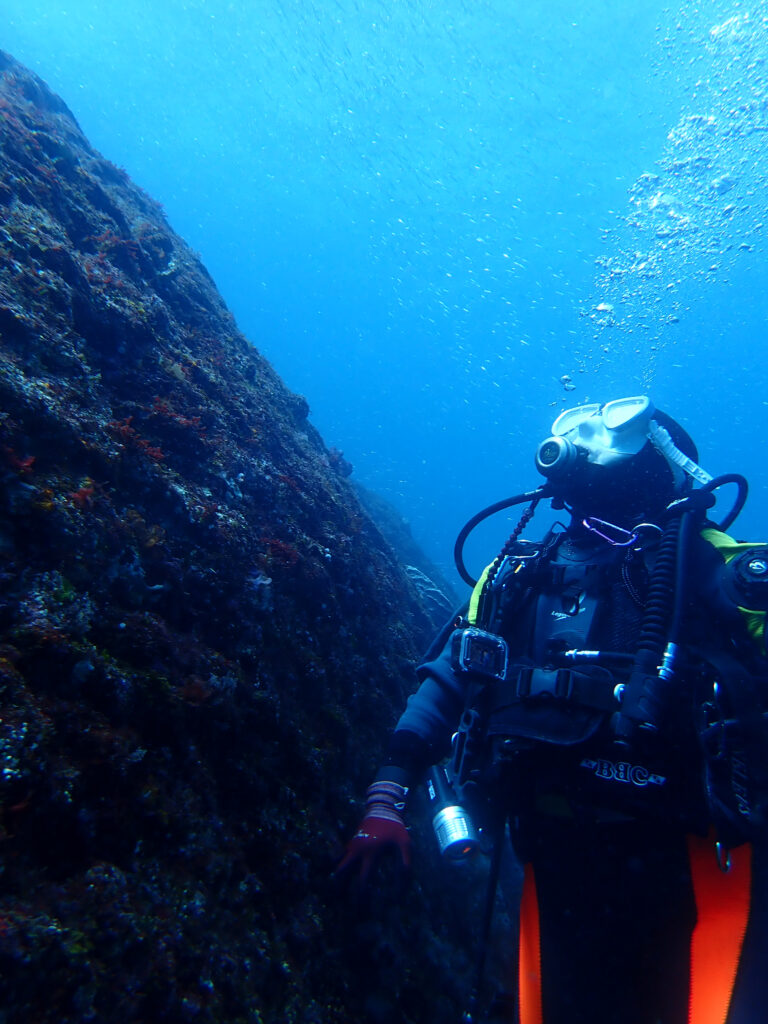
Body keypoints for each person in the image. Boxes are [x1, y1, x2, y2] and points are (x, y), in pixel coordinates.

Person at [338, 396, 768, 1024]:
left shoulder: (715, 569)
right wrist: (386, 796)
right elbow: (449, 679)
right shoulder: (518, 574)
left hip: (700, 863)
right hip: (556, 860)